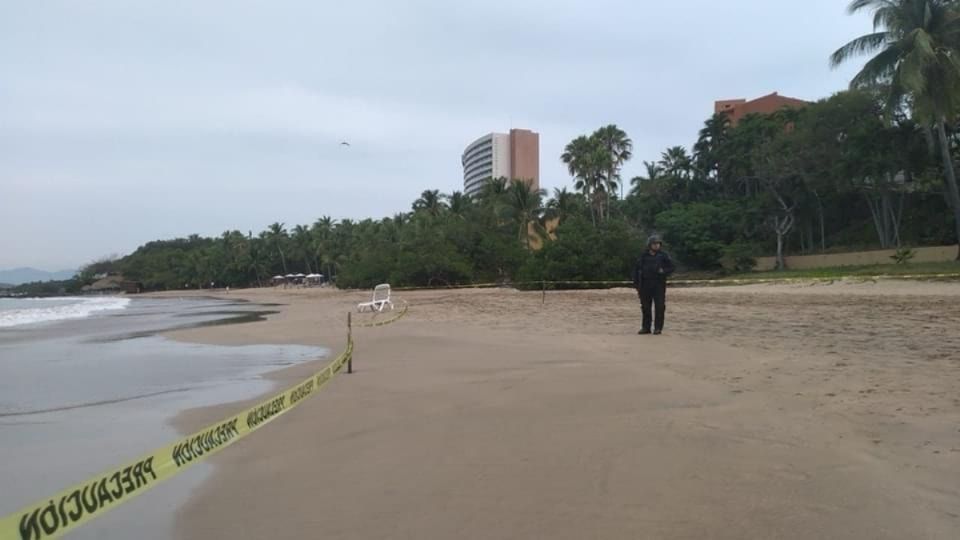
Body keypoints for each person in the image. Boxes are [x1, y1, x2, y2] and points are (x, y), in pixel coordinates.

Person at [632, 234, 675, 335]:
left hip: (658, 285)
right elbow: (636, 270)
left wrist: (663, 271)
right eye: (654, 244)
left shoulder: (663, 256)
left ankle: (658, 328)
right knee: (645, 307)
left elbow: (672, 267)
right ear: (649, 245)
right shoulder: (643, 256)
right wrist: (636, 284)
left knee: (659, 307)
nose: (656, 246)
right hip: (645, 285)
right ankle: (646, 327)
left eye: (658, 244)